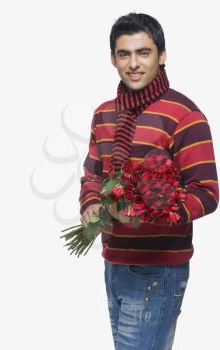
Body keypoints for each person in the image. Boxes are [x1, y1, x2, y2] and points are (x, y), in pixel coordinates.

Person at [79, 12, 219, 350]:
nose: (134, 64)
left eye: (144, 52)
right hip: (114, 262)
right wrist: (93, 204)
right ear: (113, 58)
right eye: (124, 54)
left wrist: (150, 211)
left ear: (162, 55)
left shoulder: (184, 115)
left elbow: (208, 192)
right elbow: (93, 176)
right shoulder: (104, 113)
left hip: (158, 270)